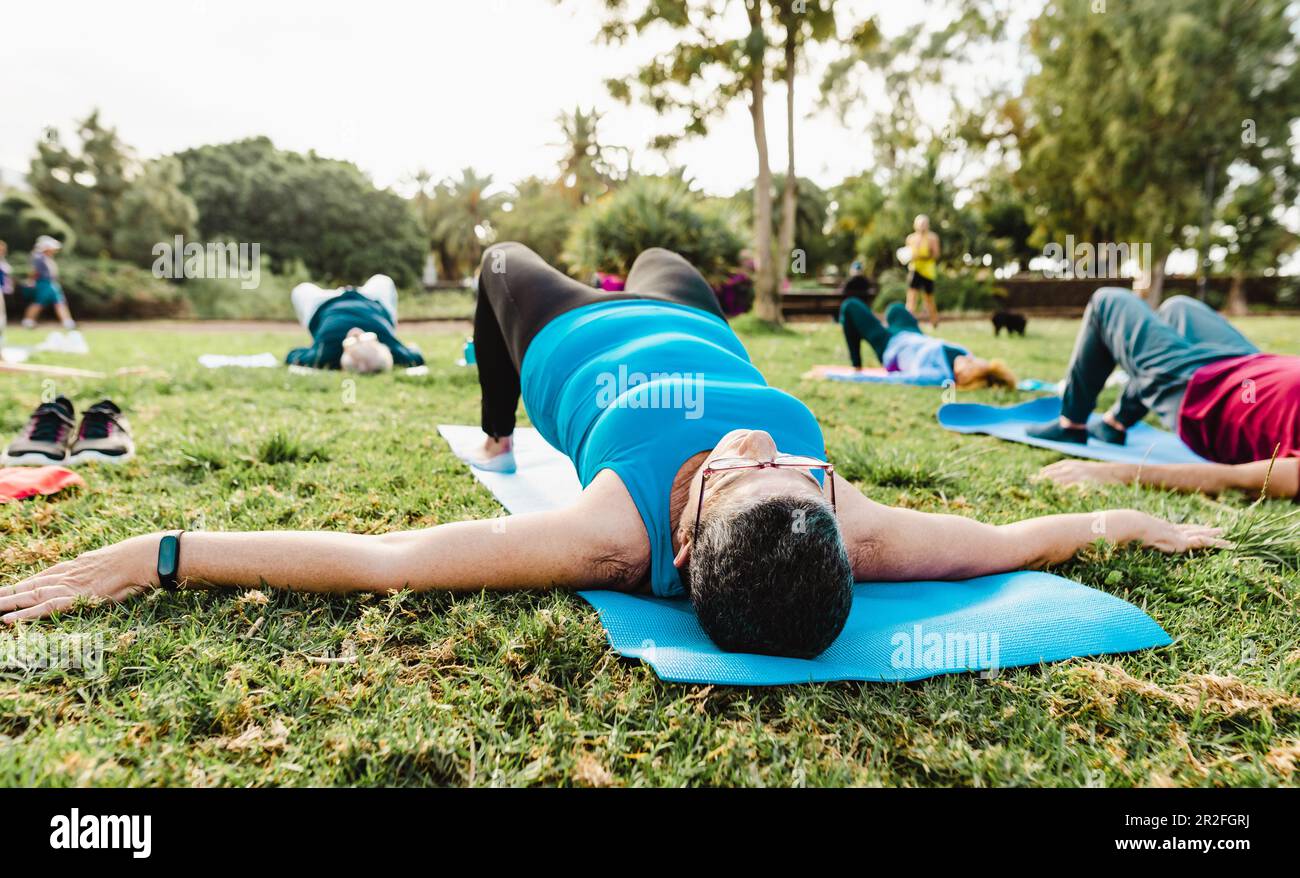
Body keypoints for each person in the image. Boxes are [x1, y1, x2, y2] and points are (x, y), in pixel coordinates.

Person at [0, 245, 1227, 658]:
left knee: (495, 264)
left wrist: (161, 551)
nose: (766, 443)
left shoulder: (607, 533)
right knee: (668, 256)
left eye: (739, 467)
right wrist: (1137, 517)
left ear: (683, 536)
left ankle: (492, 412)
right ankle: (644, 282)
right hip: (691, 319)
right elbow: (1017, 538)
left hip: (565, 336)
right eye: (796, 467)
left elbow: (386, 561)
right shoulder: (837, 525)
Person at [1030, 288, 1299, 500]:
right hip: (1248, 363)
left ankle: (1071, 424)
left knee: (1108, 301)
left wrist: (1115, 473)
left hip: (1206, 395)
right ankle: (1115, 423)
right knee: (1179, 308)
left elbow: (1252, 478)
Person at [839, 298, 1017, 389]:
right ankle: (887, 325)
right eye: (973, 361)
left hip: (891, 345)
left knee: (850, 306)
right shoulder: (964, 352)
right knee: (896, 309)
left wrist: (851, 376)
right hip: (912, 334)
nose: (968, 360)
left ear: (960, 380)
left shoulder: (938, 375)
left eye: (967, 369)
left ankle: (856, 364)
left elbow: (901, 379)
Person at [286, 274, 424, 373]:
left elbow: (293, 355)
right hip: (370, 299)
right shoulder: (389, 344)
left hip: (325, 303)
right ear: (379, 344)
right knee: (383, 280)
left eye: (352, 343)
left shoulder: (325, 353)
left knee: (301, 290)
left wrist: (316, 349)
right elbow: (416, 356)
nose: (356, 332)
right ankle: (392, 325)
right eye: (366, 340)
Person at [22, 236, 76, 330]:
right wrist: (31, 280)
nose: (54, 250)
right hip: (44, 283)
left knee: (59, 302)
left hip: (51, 283)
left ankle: (68, 323)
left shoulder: (46, 257)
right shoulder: (39, 257)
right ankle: (28, 321)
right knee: (39, 302)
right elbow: (34, 271)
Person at [904, 215, 940, 329]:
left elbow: (936, 254)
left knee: (929, 298)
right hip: (914, 270)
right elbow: (907, 254)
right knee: (911, 297)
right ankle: (907, 321)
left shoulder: (932, 238)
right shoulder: (911, 238)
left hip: (928, 272)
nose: (922, 227)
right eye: (920, 224)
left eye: (924, 224)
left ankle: (934, 322)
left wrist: (921, 256)